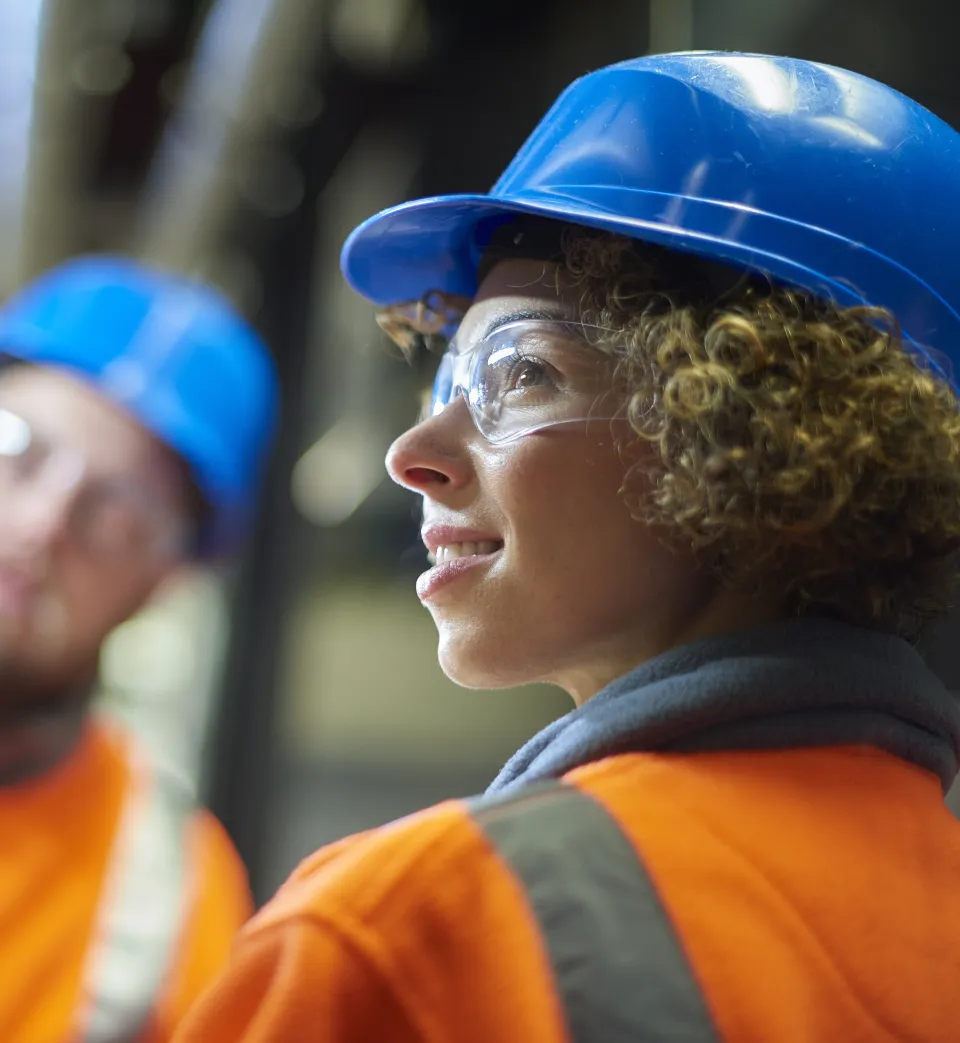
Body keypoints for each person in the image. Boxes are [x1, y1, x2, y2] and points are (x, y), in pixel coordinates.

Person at [174, 52, 960, 1042]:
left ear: (762, 425)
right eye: (448, 379)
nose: (411, 453)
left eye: (523, 373)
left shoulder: (414, 929)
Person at [0, 255, 278, 1043]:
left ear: (166, 580)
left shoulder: (170, 899)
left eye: (117, 514)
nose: (42, 524)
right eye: (16, 448)